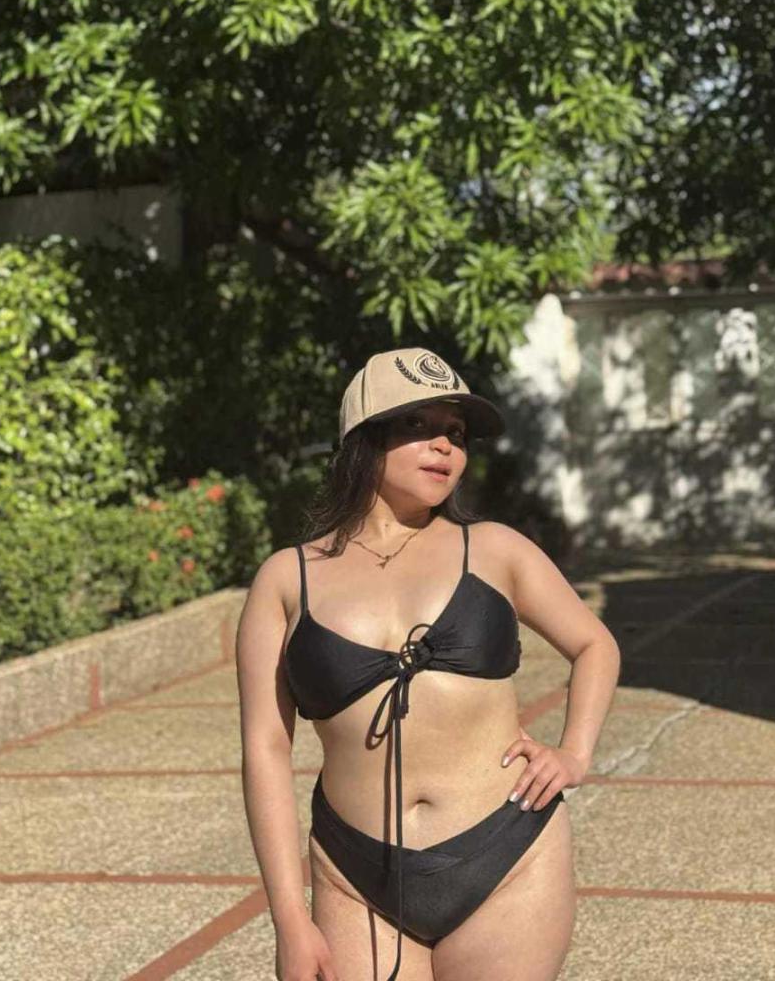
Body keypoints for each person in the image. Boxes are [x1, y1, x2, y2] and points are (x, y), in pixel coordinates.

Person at [236, 346, 621, 981]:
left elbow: (595, 645)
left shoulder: (495, 550)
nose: (445, 446)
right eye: (418, 424)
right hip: (353, 875)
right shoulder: (287, 579)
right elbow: (266, 750)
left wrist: (574, 752)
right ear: (364, 437)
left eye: (457, 433)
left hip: (508, 856)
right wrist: (289, 920)